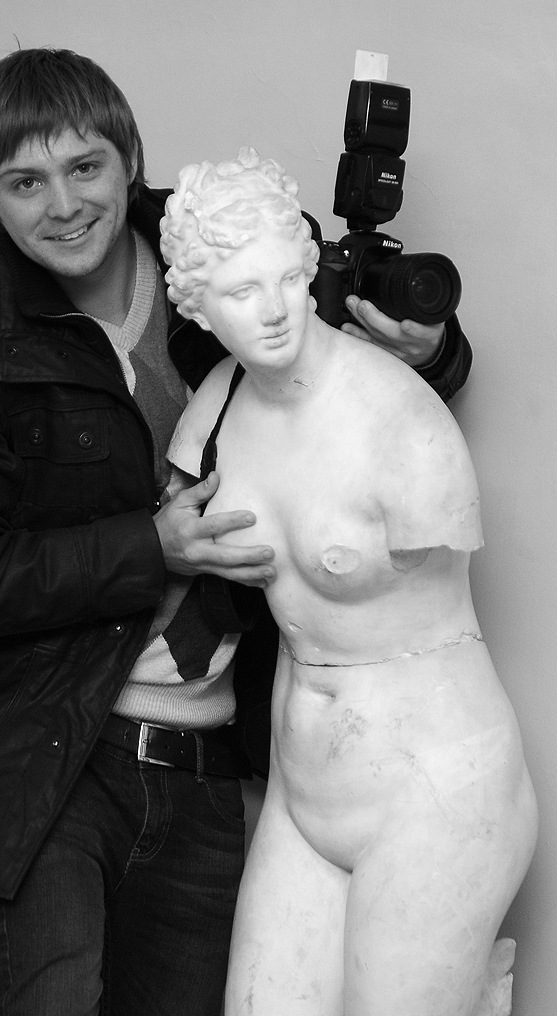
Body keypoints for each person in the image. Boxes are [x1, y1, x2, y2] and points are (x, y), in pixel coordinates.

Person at [0, 49, 472, 1016]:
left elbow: (338, 392)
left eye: (85, 167)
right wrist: (145, 547)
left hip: (205, 764)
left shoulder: (219, 246)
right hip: (47, 766)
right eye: (24, 183)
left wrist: (429, 353)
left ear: (129, 157)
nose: (63, 206)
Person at [161, 148, 538, 1016]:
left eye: (285, 280)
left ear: (308, 269)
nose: (272, 311)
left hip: (433, 788)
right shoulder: (215, 411)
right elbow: (173, 550)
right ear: (197, 307)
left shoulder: (400, 418)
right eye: (239, 292)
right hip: (302, 791)